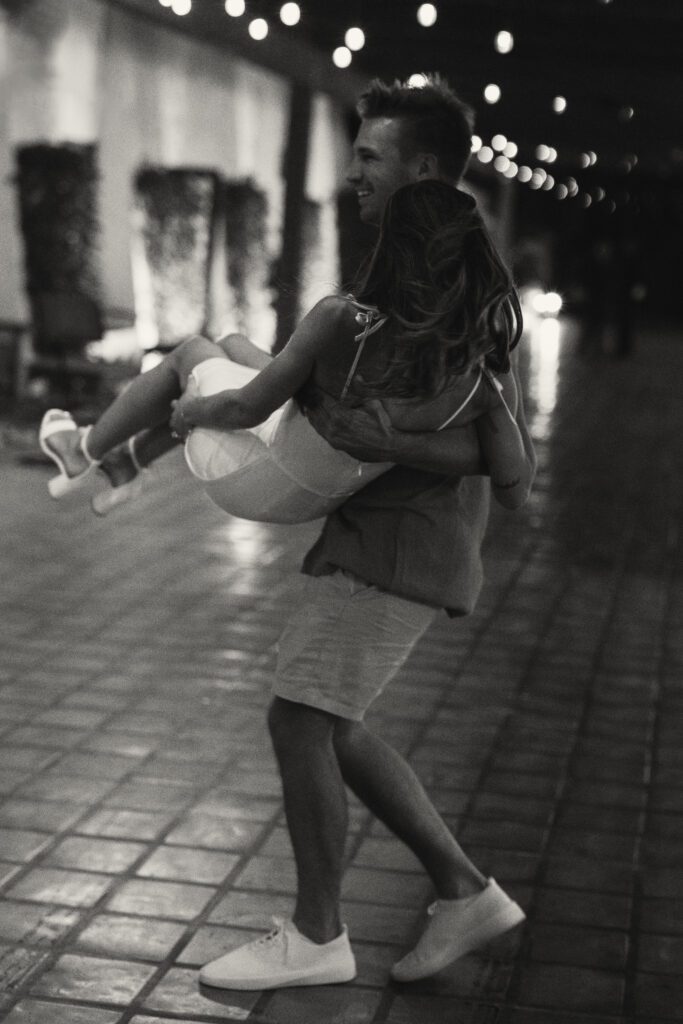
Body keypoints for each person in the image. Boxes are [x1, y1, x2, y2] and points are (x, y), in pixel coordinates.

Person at [195, 77, 535, 992]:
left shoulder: (456, 297)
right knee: (330, 724)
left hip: (399, 553)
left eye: (369, 158)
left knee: (299, 717)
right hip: (378, 543)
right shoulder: (408, 288)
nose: (353, 176)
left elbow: (503, 453)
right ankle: (464, 891)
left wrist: (394, 437)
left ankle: (316, 935)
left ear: (423, 170)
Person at [39, 182, 527, 526]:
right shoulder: (481, 375)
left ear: (393, 249)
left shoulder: (346, 321)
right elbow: (513, 486)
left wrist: (191, 412)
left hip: (256, 474)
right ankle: (130, 459)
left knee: (191, 352)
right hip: (317, 497)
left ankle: (83, 451)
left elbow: (244, 408)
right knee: (233, 346)